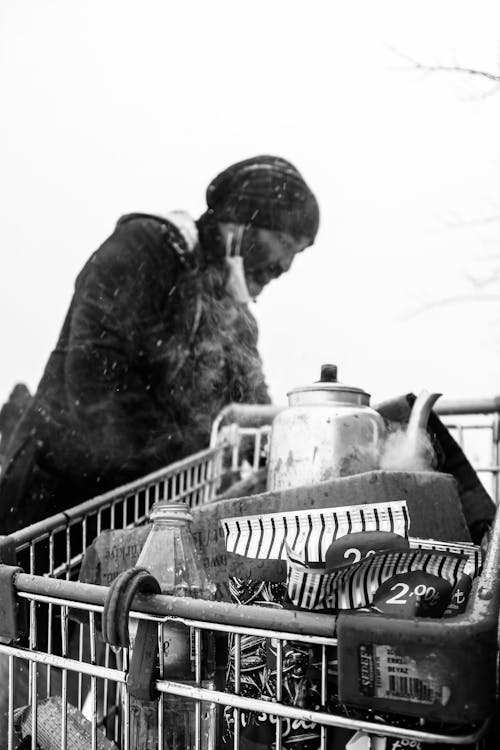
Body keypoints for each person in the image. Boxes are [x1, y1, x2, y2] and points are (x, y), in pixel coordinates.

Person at [0, 155, 320, 534]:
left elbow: (246, 409)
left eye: (296, 254)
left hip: (141, 514)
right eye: (283, 242)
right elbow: (95, 372)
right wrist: (183, 453)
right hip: (56, 499)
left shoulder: (235, 317)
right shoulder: (148, 250)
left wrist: (291, 450)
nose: (285, 266)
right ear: (241, 222)